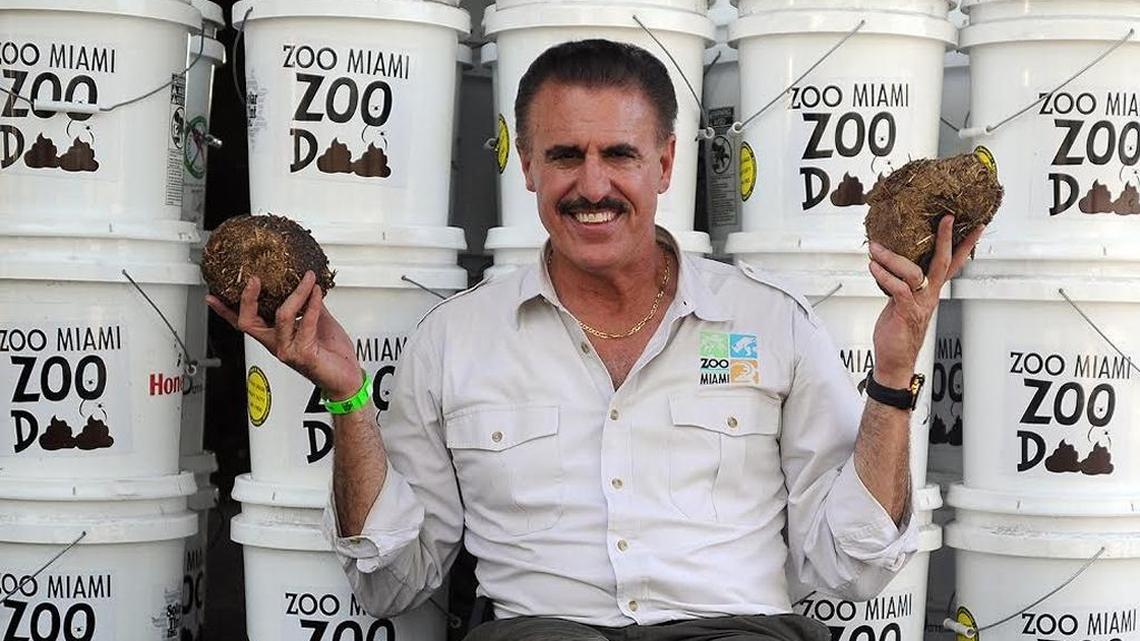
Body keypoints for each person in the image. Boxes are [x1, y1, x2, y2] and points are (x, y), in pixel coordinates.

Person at [209, 39, 984, 641]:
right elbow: (393, 582)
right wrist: (346, 394)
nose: (591, 184)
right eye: (564, 155)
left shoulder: (770, 324)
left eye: (618, 154)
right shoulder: (454, 342)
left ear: (666, 164)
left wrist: (892, 371)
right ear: (526, 167)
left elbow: (853, 565)